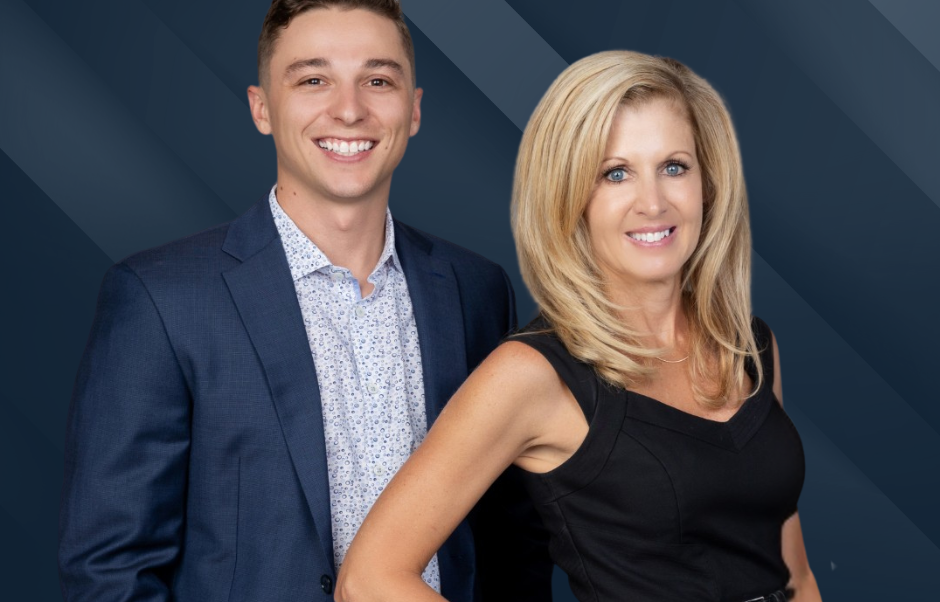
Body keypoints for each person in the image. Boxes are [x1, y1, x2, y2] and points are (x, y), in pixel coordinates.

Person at [58, 0, 551, 602]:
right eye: (313, 80)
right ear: (262, 108)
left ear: (415, 109)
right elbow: (109, 571)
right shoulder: (160, 300)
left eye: (378, 80)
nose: (349, 109)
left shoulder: (474, 290)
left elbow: (512, 546)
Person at [336, 52, 823, 602]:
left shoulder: (751, 346)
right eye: (615, 173)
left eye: (674, 167)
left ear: (708, 185)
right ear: (571, 197)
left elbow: (795, 577)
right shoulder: (532, 374)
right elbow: (369, 578)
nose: (654, 201)